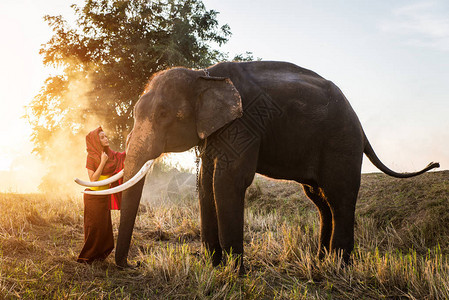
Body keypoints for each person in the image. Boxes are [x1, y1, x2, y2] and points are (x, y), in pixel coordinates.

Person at [77, 126, 127, 263]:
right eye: (102, 137)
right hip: (93, 197)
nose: (106, 138)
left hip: (105, 196)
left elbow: (122, 157)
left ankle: (99, 257)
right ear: (96, 141)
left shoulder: (111, 154)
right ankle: (87, 257)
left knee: (104, 230)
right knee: (94, 229)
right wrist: (103, 161)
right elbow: (93, 179)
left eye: (106, 136)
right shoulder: (92, 156)